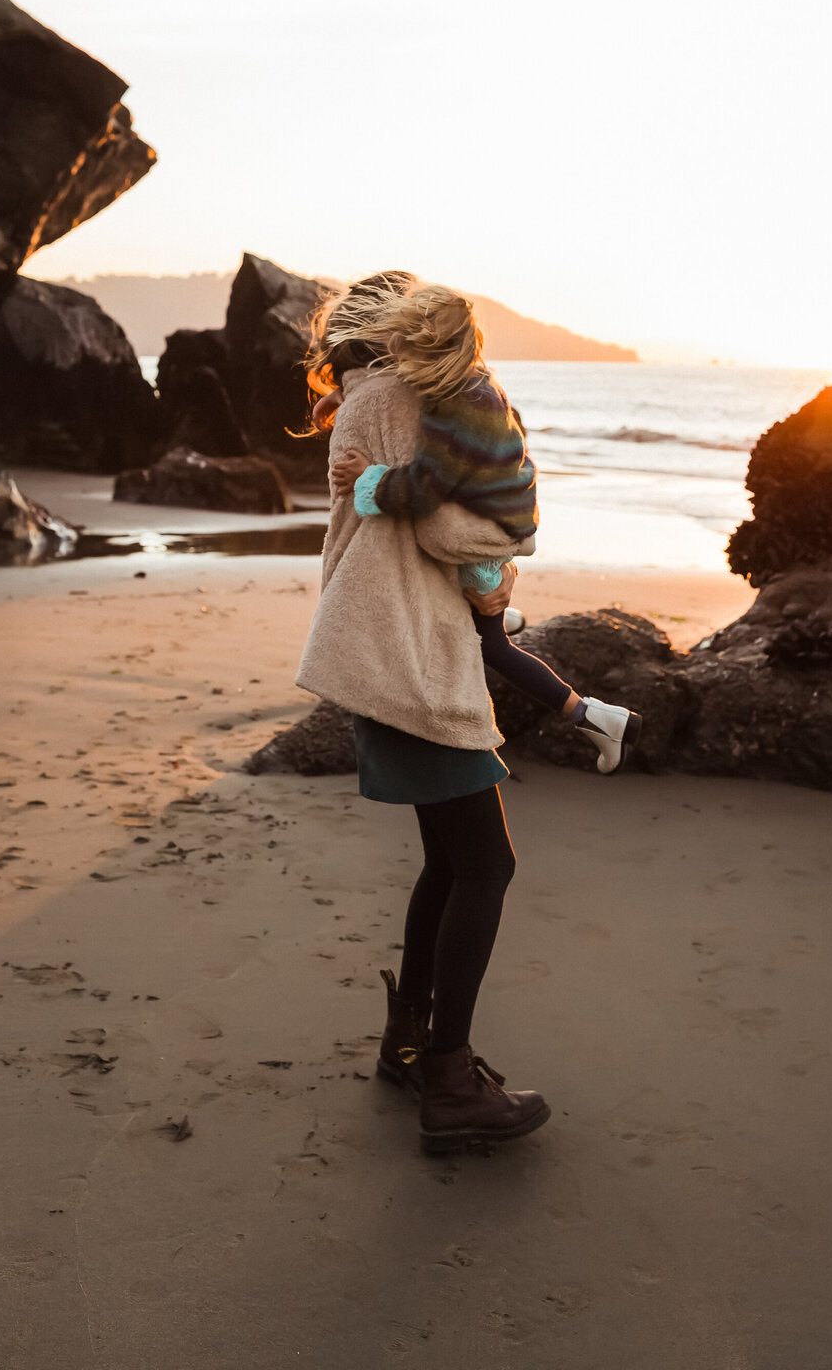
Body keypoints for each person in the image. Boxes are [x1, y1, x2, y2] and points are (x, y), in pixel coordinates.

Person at [296, 275, 551, 1154]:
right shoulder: (410, 395)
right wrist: (516, 538)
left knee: (450, 861)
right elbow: (450, 533)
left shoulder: (360, 399)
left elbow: (403, 513)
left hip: (383, 655)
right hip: (412, 662)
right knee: (489, 865)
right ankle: (448, 1079)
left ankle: (410, 1043)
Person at [311, 276, 642, 773]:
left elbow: (425, 493)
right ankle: (503, 622)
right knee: (490, 626)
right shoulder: (470, 384)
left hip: (489, 534)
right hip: (505, 519)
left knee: (492, 643)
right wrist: (343, 396)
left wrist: (369, 478)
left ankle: (591, 714)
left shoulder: (450, 408)